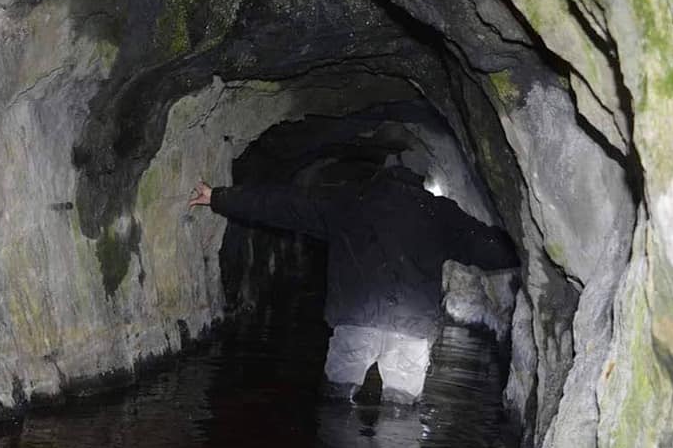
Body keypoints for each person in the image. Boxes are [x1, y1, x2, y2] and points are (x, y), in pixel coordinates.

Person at [188, 168, 518, 404]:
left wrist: (218, 197)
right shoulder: (438, 211)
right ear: (417, 184)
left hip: (355, 321)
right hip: (411, 328)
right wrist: (529, 241)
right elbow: (489, 248)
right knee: (400, 415)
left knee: (338, 405)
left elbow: (284, 205)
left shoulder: (349, 201)